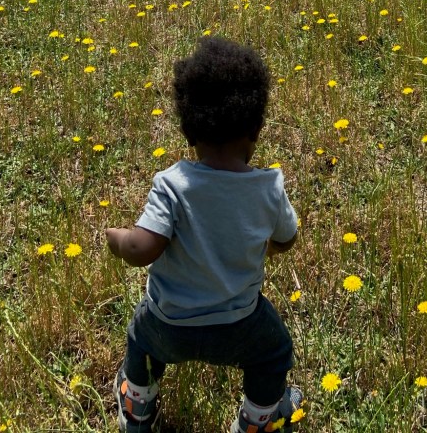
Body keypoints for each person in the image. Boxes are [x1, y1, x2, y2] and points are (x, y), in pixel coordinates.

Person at [106, 36, 303, 433]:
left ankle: (138, 405)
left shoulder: (172, 185)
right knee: (275, 351)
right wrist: (270, 245)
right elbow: (287, 238)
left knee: (140, 340)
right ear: (256, 130)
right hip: (239, 325)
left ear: (189, 132)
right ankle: (257, 420)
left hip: (169, 326)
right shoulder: (268, 188)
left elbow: (142, 248)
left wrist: (115, 237)